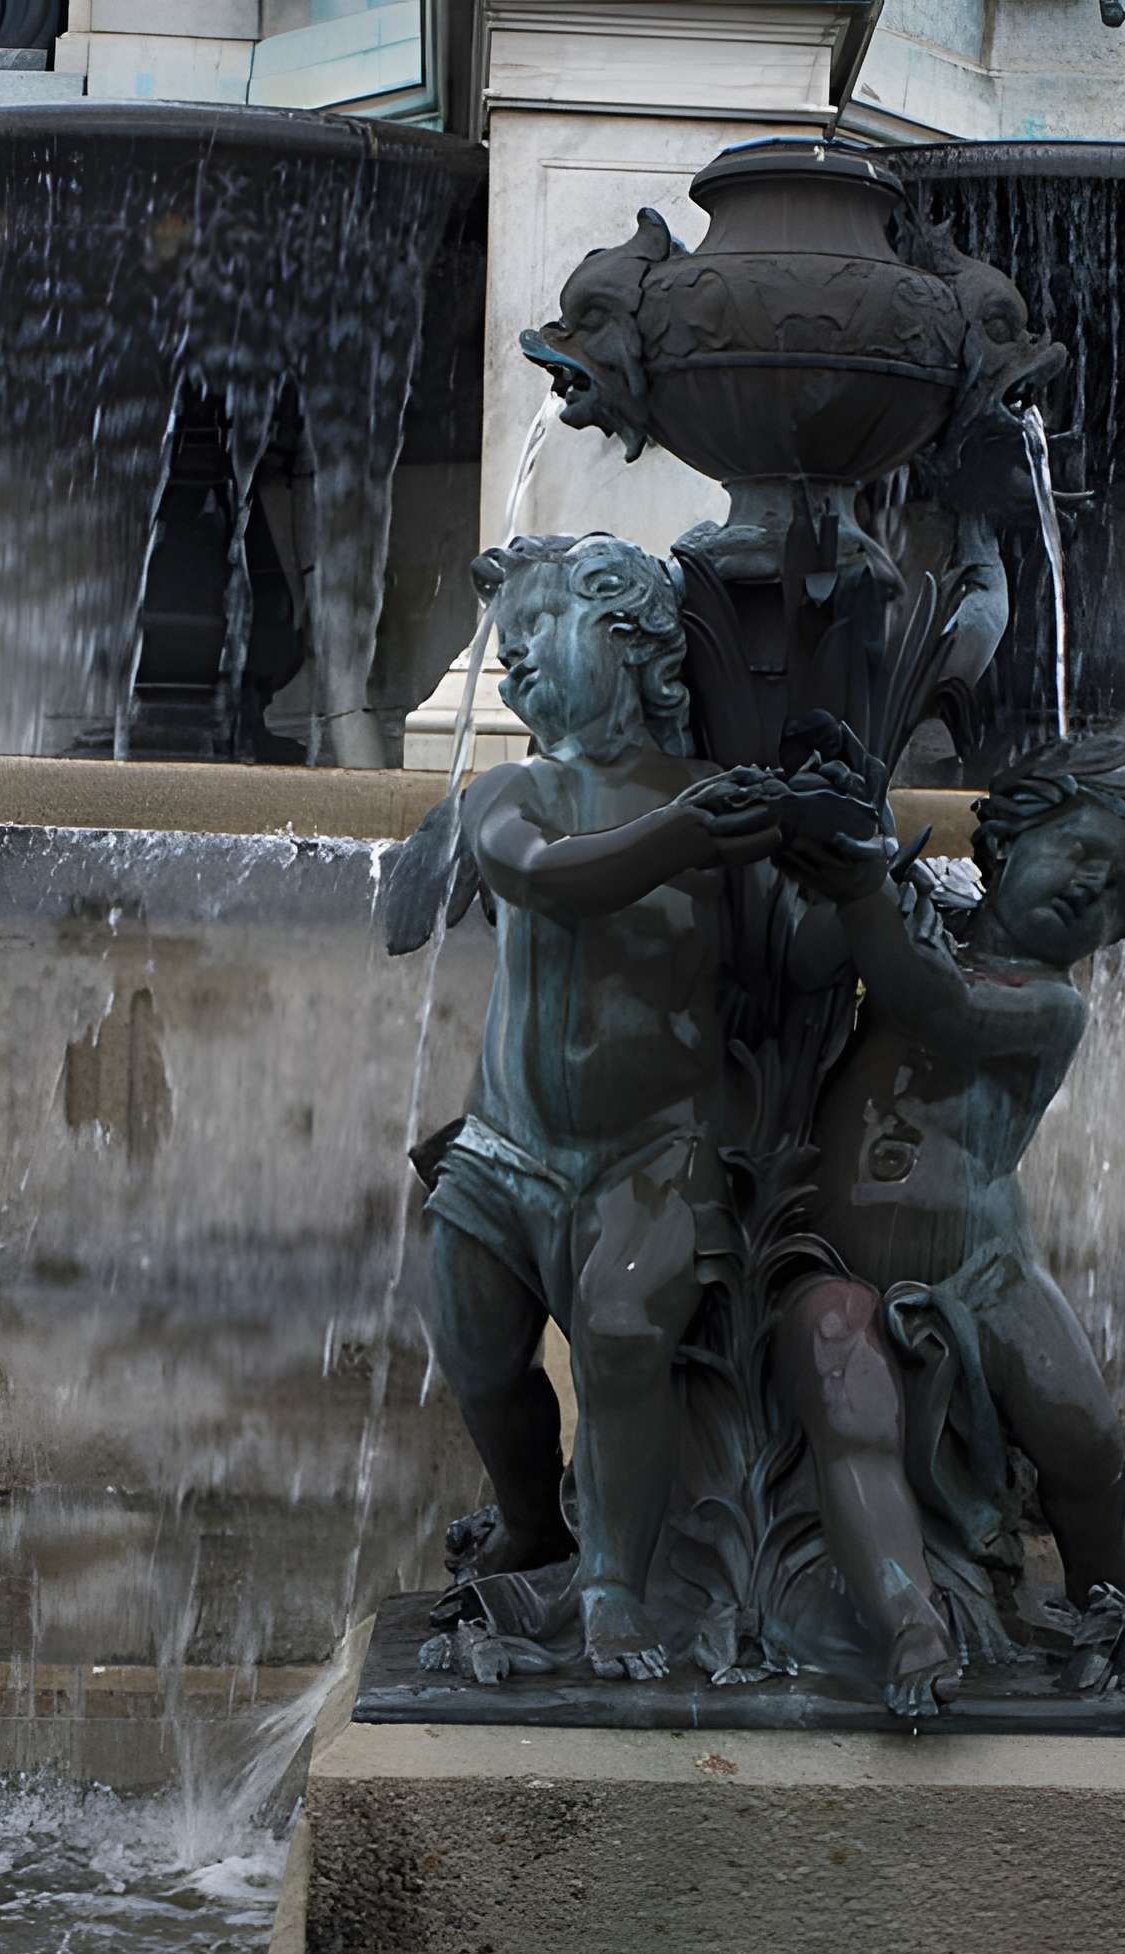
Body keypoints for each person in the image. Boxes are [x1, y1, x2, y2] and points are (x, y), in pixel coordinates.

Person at [384, 533, 781, 1680]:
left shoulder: (715, 805)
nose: (512, 674)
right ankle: (527, 1520)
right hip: (502, 1153)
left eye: (533, 641)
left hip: (647, 1159)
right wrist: (678, 841)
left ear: (635, 641)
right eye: (503, 657)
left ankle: (611, 1581)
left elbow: (792, 958)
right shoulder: (518, 791)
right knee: (477, 1355)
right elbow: (534, 875)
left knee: (619, 1344)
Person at [777, 743, 1125, 1716]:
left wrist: (867, 884)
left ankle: (1104, 1601)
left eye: (1115, 894)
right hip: (829, 1258)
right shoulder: (915, 922)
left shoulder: (1048, 1005)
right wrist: (841, 855)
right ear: (1002, 843)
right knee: (849, 1402)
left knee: (1082, 1437)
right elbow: (806, 962)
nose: (1089, 888)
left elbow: (939, 1003)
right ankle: (910, 1621)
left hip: (982, 1265)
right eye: (1077, 851)